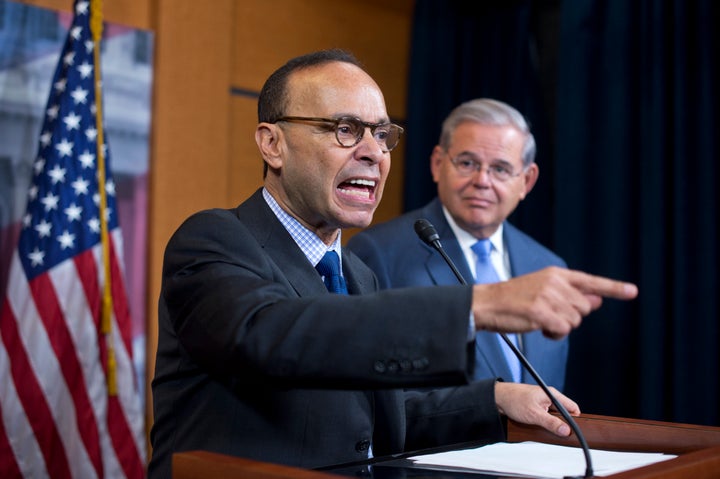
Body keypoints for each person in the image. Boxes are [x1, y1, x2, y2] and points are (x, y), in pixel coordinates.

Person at [147, 49, 638, 478]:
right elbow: (271, 336)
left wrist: (495, 399)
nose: (373, 152)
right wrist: (476, 305)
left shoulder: (357, 274)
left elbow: (385, 413)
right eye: (344, 129)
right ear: (272, 143)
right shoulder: (213, 240)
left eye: (382, 134)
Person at [347, 98, 568, 390]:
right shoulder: (378, 254)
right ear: (438, 164)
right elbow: (370, 391)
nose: (482, 181)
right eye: (467, 163)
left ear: (527, 181)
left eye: (500, 169)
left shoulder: (548, 268)